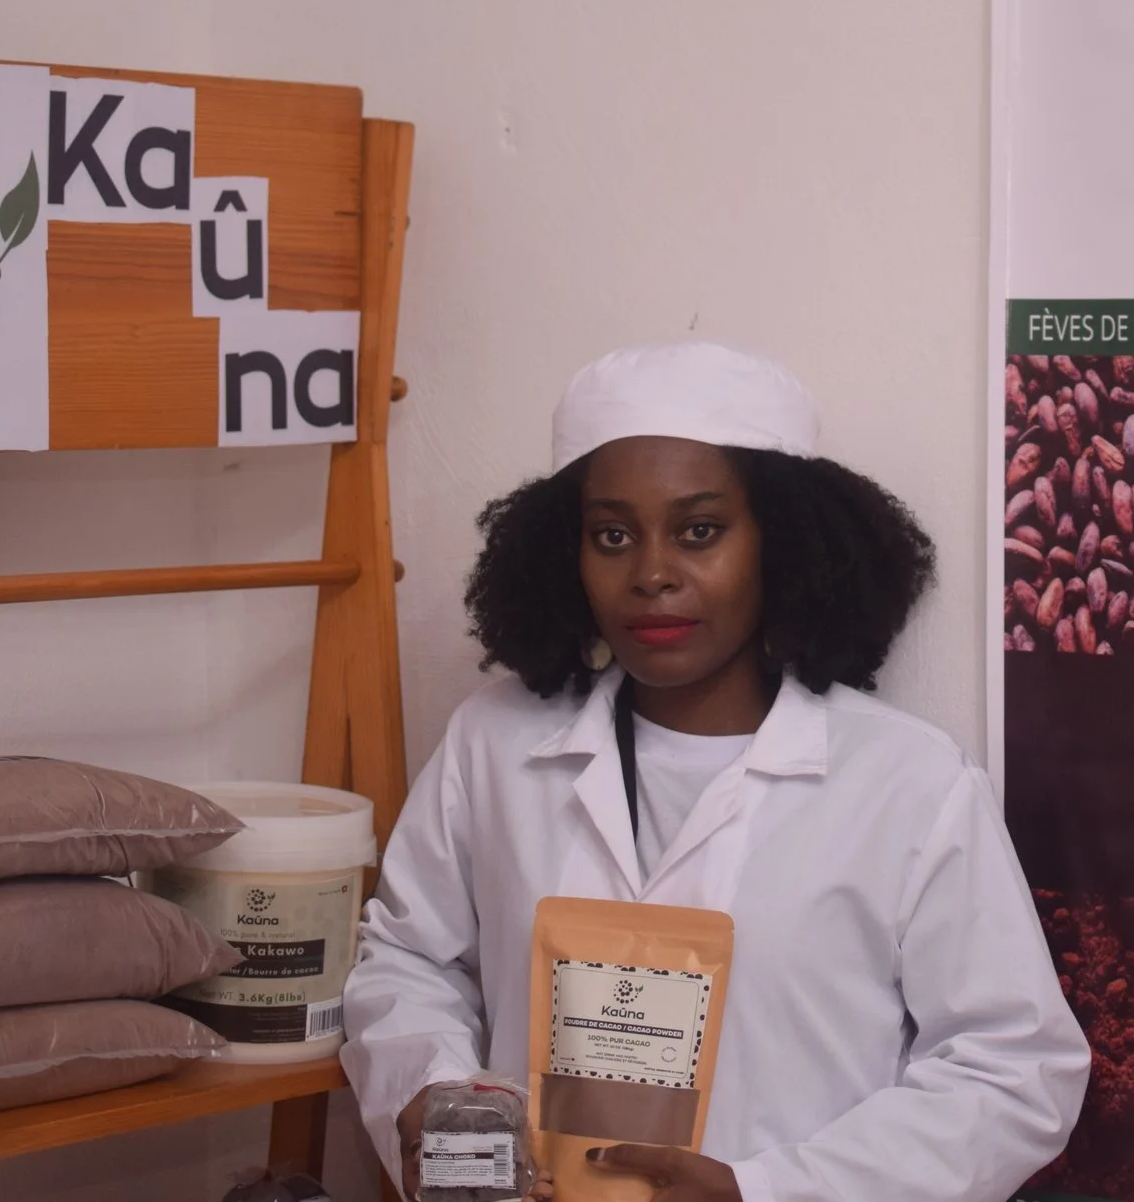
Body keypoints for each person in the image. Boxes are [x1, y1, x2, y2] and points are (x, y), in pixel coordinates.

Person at [341, 341, 1088, 1201]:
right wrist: (430, 1090)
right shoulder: (493, 746)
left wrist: (764, 1191)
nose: (653, 573)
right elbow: (406, 959)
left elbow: (1013, 1070)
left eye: (700, 530)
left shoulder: (908, 784)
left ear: (786, 542)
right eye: (612, 535)